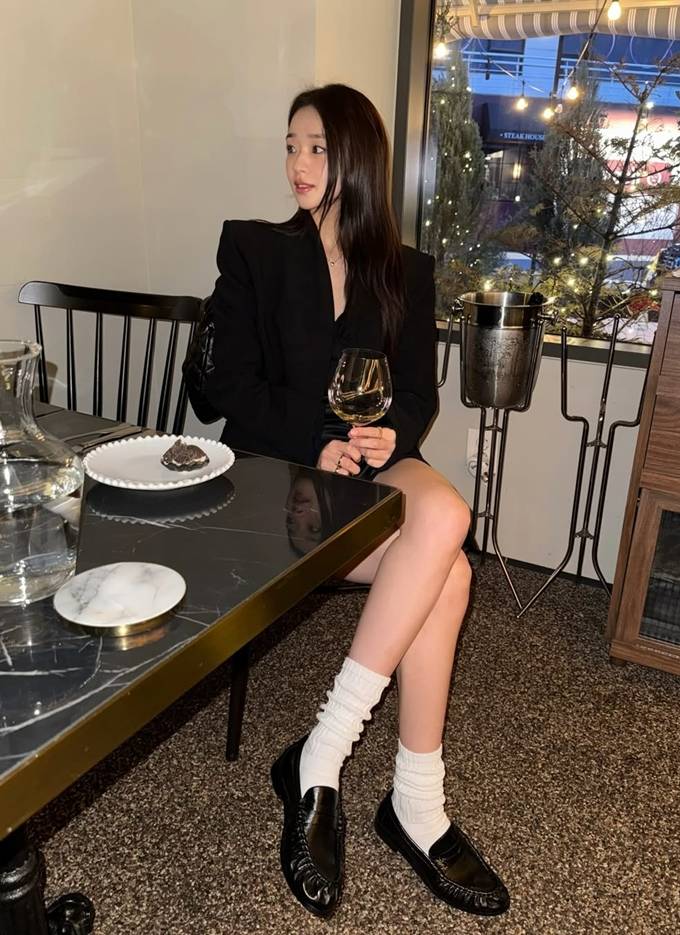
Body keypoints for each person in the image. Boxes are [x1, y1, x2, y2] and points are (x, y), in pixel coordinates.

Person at [205, 83, 509, 919]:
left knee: (446, 517)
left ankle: (324, 756)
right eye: (291, 146)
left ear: (357, 159)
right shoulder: (254, 249)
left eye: (317, 148)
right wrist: (318, 441)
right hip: (275, 481)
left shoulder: (405, 271)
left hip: (368, 474)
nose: (298, 164)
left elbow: (416, 394)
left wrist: (386, 435)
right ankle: (412, 801)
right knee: (450, 574)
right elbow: (229, 384)